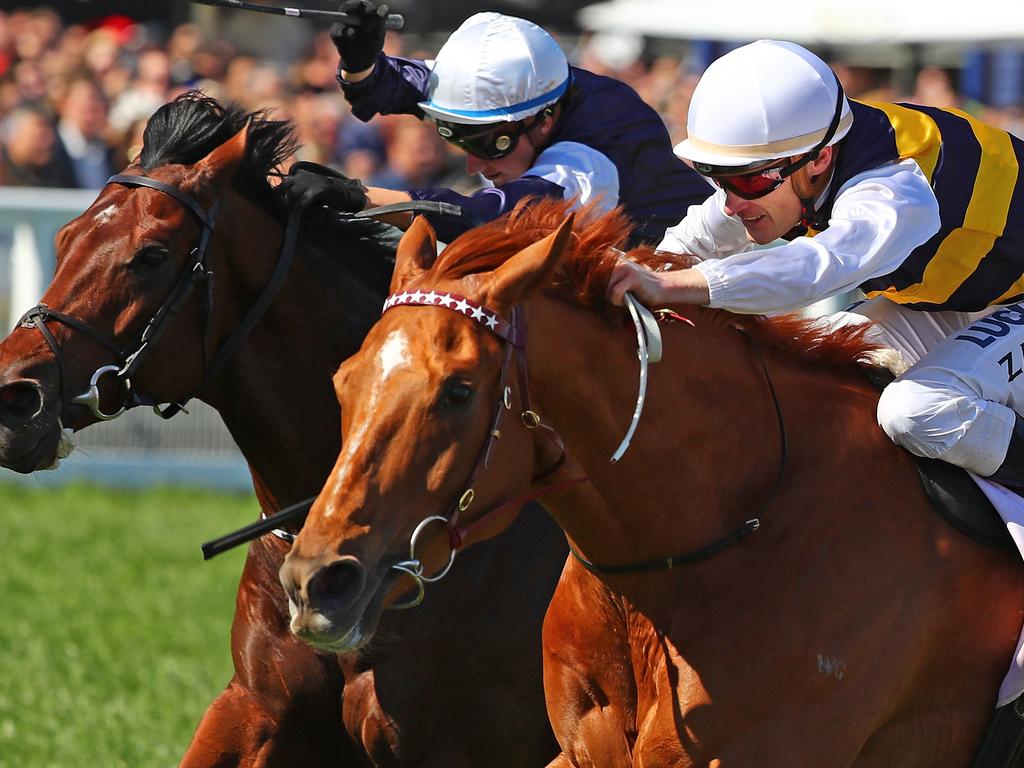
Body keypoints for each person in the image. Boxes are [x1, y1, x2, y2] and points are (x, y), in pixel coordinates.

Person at [606, 39, 1024, 489]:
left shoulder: (893, 186)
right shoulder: (794, 161)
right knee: (788, 367)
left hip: (1007, 299)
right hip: (965, 299)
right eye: (717, 178)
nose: (729, 204)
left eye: (746, 179)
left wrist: (677, 286)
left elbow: (819, 267)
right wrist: (621, 273)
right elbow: (682, 249)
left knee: (917, 413)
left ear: (820, 159)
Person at [277, 4, 712, 245]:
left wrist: (359, 195)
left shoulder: (593, 152)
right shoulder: (520, 96)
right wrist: (359, 64)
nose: (473, 165)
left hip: (702, 277)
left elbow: (489, 215)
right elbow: (403, 84)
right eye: (453, 136)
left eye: (489, 144)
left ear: (544, 120)